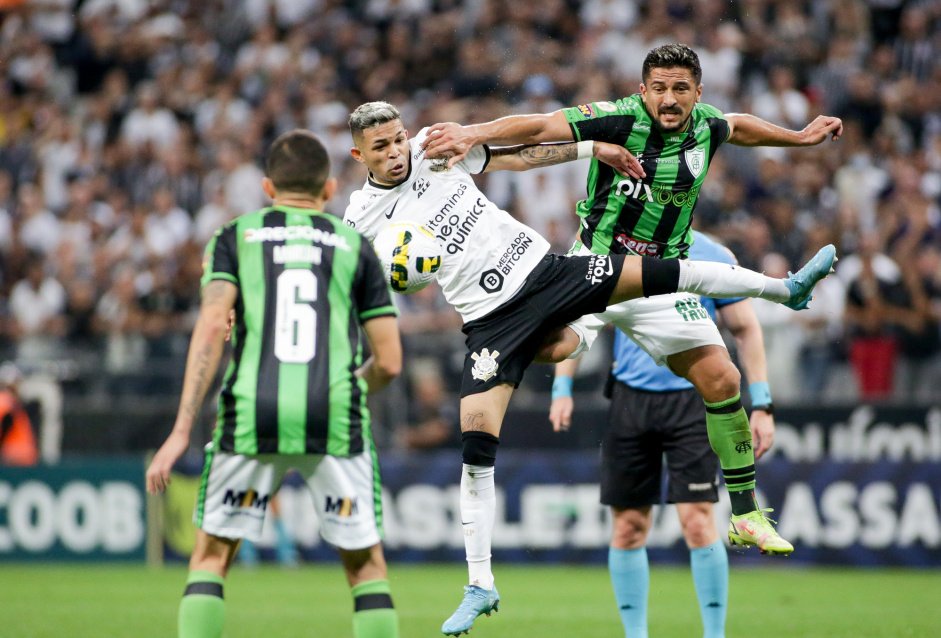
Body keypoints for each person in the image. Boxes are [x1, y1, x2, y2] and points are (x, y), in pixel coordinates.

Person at [344, 100, 835, 635]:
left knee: (662, 274)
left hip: (544, 272)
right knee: (476, 449)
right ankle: (480, 584)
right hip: (488, 322)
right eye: (380, 148)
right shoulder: (360, 219)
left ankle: (784, 289)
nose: (395, 153)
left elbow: (520, 157)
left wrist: (589, 147)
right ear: (358, 155)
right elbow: (343, 280)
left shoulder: (437, 150)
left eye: (397, 139)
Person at [422, 42, 843, 567]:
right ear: (643, 90)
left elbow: (737, 125)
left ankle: (745, 514)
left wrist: (800, 139)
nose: (669, 100)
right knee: (553, 349)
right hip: (593, 270)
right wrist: (475, 132)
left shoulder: (706, 126)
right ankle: (492, 355)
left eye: (681, 89)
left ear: (697, 93)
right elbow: (542, 127)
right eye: (660, 88)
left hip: (659, 282)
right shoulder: (618, 119)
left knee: (723, 379)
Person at [146, 129, 403, 638]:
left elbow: (210, 329)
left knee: (212, 555)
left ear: (268, 188)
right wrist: (351, 388)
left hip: (250, 412)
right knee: (365, 567)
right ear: (329, 189)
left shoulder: (233, 237)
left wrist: (180, 431)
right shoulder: (354, 246)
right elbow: (390, 363)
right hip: (332, 414)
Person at [549, 231, 774, 638]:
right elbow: (577, 317)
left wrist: (762, 403)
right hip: (630, 398)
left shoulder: (711, 252)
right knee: (629, 525)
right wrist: (562, 386)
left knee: (698, 521)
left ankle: (714, 633)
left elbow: (745, 328)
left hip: (693, 401)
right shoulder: (610, 247)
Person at [0, 362, 39, 466]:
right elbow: (6, 423)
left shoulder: (13, 401)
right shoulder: (5, 400)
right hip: (13, 455)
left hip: (17, 454)